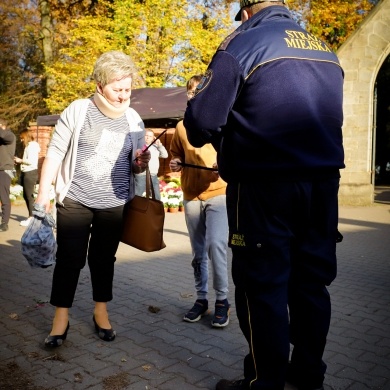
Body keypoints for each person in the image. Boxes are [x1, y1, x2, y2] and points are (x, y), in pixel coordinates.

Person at [184, 1, 345, 390]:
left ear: (246, 11)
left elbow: (201, 123)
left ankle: (264, 381)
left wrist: (224, 133)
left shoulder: (242, 43)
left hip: (264, 188)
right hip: (323, 187)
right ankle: (309, 376)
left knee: (262, 284)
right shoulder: (325, 49)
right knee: (311, 283)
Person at [34, 50, 151, 348]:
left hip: (114, 202)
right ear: (100, 85)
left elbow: (136, 165)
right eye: (117, 89)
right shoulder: (78, 110)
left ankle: (101, 312)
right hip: (75, 199)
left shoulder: (133, 118)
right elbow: (56, 153)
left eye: (128, 89)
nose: (124, 96)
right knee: (69, 260)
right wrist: (43, 196)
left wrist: (141, 161)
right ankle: (61, 317)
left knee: (103, 260)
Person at [169, 75, 230, 328]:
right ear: (187, 95)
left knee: (216, 245)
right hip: (191, 195)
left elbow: (233, 153)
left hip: (218, 193)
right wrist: (174, 163)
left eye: (199, 91)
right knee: (198, 253)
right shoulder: (182, 126)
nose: (194, 95)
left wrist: (223, 165)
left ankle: (223, 300)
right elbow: (175, 155)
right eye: (191, 92)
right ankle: (202, 299)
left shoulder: (222, 123)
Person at [14, 130, 41, 226]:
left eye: (22, 138)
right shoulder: (29, 146)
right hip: (26, 172)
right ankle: (31, 217)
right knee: (26, 196)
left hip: (30, 173)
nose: (21, 140)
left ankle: (32, 218)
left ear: (26, 137)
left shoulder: (32, 146)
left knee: (29, 196)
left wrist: (20, 160)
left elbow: (31, 161)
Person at [134, 129, 168, 200]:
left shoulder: (156, 147)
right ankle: (133, 209)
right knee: (137, 195)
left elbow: (165, 155)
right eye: (146, 135)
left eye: (150, 136)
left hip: (153, 175)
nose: (147, 137)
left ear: (153, 138)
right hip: (141, 175)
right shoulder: (138, 146)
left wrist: (159, 145)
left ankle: (155, 210)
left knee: (156, 197)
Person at [0, 118, 16, 232]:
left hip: (5, 170)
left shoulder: (10, 135)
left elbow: (3, 135)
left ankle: (4, 223)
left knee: (4, 197)